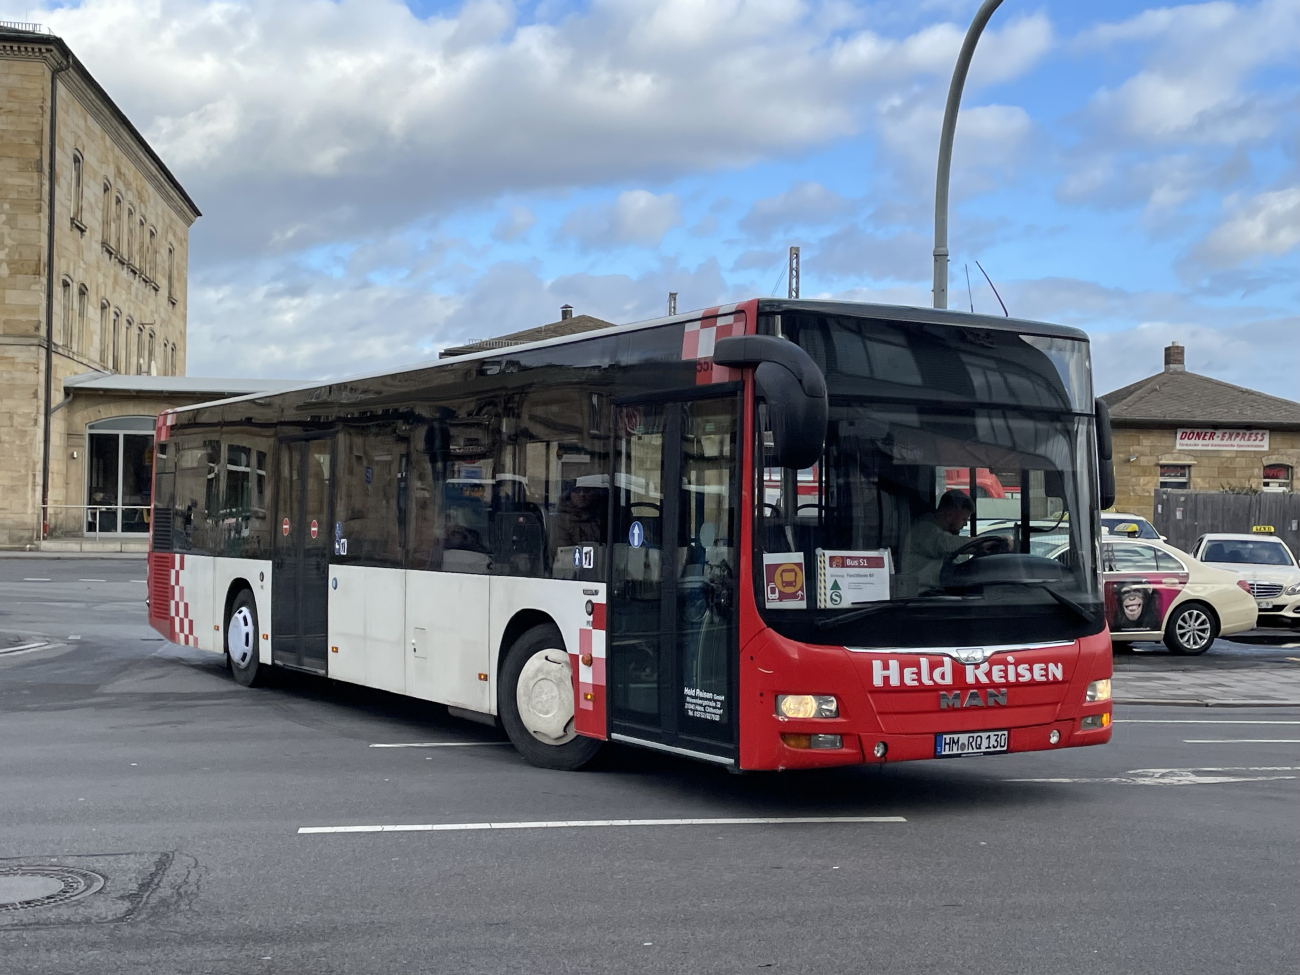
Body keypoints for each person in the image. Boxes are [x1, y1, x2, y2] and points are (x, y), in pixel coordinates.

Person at [901, 490, 1003, 594]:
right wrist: (989, 541)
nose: (965, 524)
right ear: (949, 515)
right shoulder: (924, 529)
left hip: (934, 592)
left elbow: (956, 556)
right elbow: (948, 543)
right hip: (920, 595)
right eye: (963, 519)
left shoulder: (939, 532)